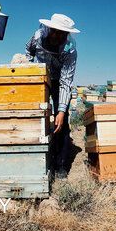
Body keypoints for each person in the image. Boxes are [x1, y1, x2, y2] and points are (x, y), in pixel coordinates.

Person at [25, 13, 79, 179]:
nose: (56, 35)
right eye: (54, 31)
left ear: (66, 34)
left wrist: (61, 111)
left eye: (61, 33)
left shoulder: (70, 51)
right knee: (30, 114)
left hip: (57, 82)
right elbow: (28, 50)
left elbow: (65, 82)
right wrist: (27, 68)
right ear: (48, 29)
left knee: (60, 123)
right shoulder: (37, 37)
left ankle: (60, 165)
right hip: (37, 78)